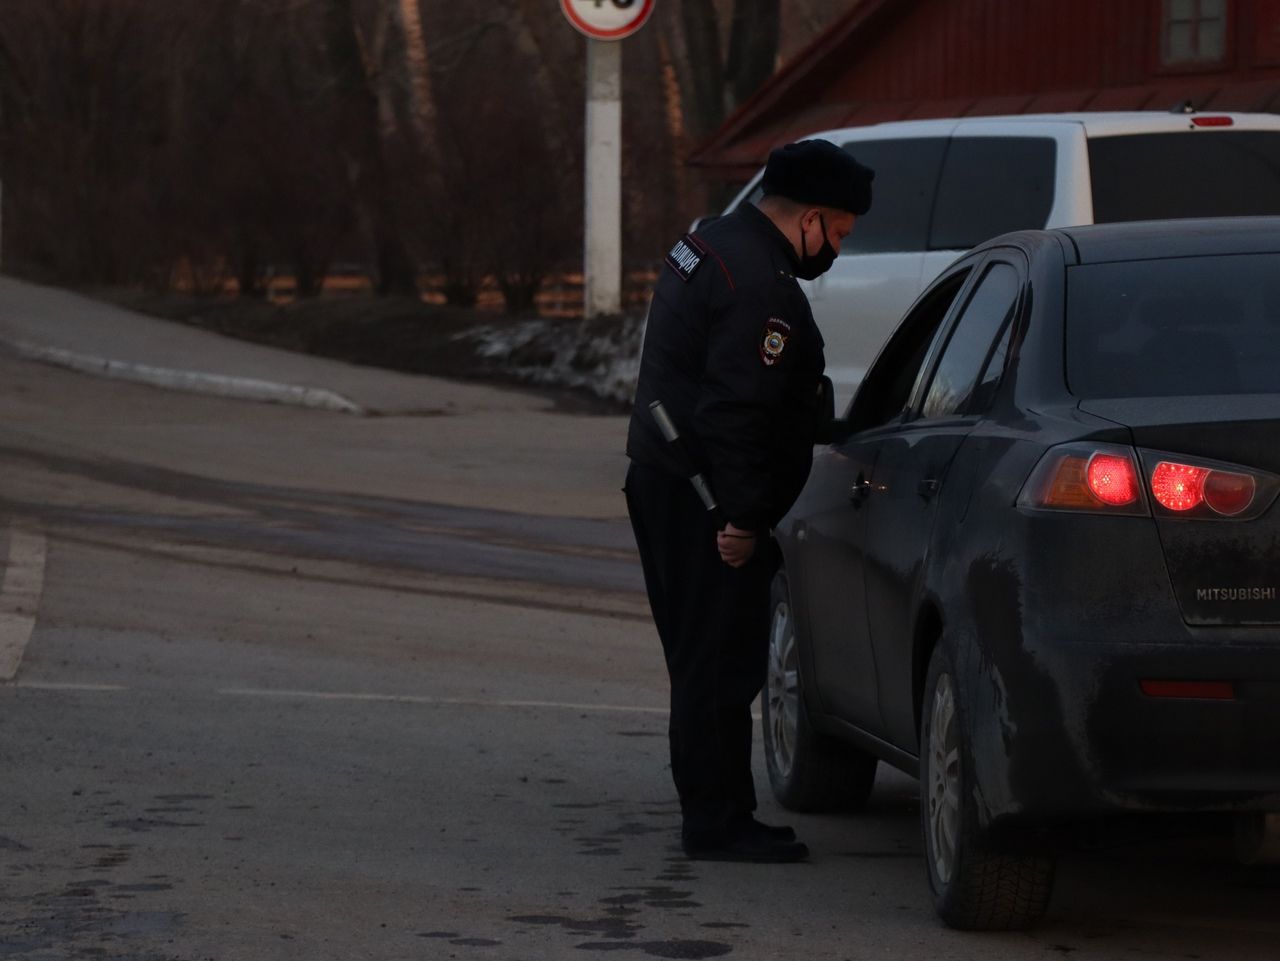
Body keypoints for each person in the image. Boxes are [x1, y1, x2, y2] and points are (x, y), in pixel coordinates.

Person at [624, 139, 874, 863]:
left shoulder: (709, 242)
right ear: (811, 219)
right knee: (719, 660)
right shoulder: (759, 284)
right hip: (704, 497)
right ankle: (716, 820)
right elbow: (736, 411)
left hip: (667, 477)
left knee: (702, 656)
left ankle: (720, 809)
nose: (837, 250)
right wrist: (741, 517)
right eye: (840, 234)